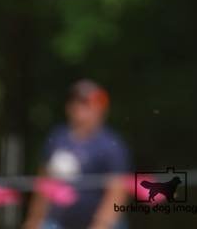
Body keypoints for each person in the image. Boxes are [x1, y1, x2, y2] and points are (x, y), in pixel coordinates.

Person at [23, 80, 130, 229]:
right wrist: (35, 220)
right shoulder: (57, 138)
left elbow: (117, 192)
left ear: (100, 108)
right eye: (74, 101)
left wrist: (100, 225)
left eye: (86, 102)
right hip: (58, 223)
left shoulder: (111, 145)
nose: (78, 107)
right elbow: (44, 182)